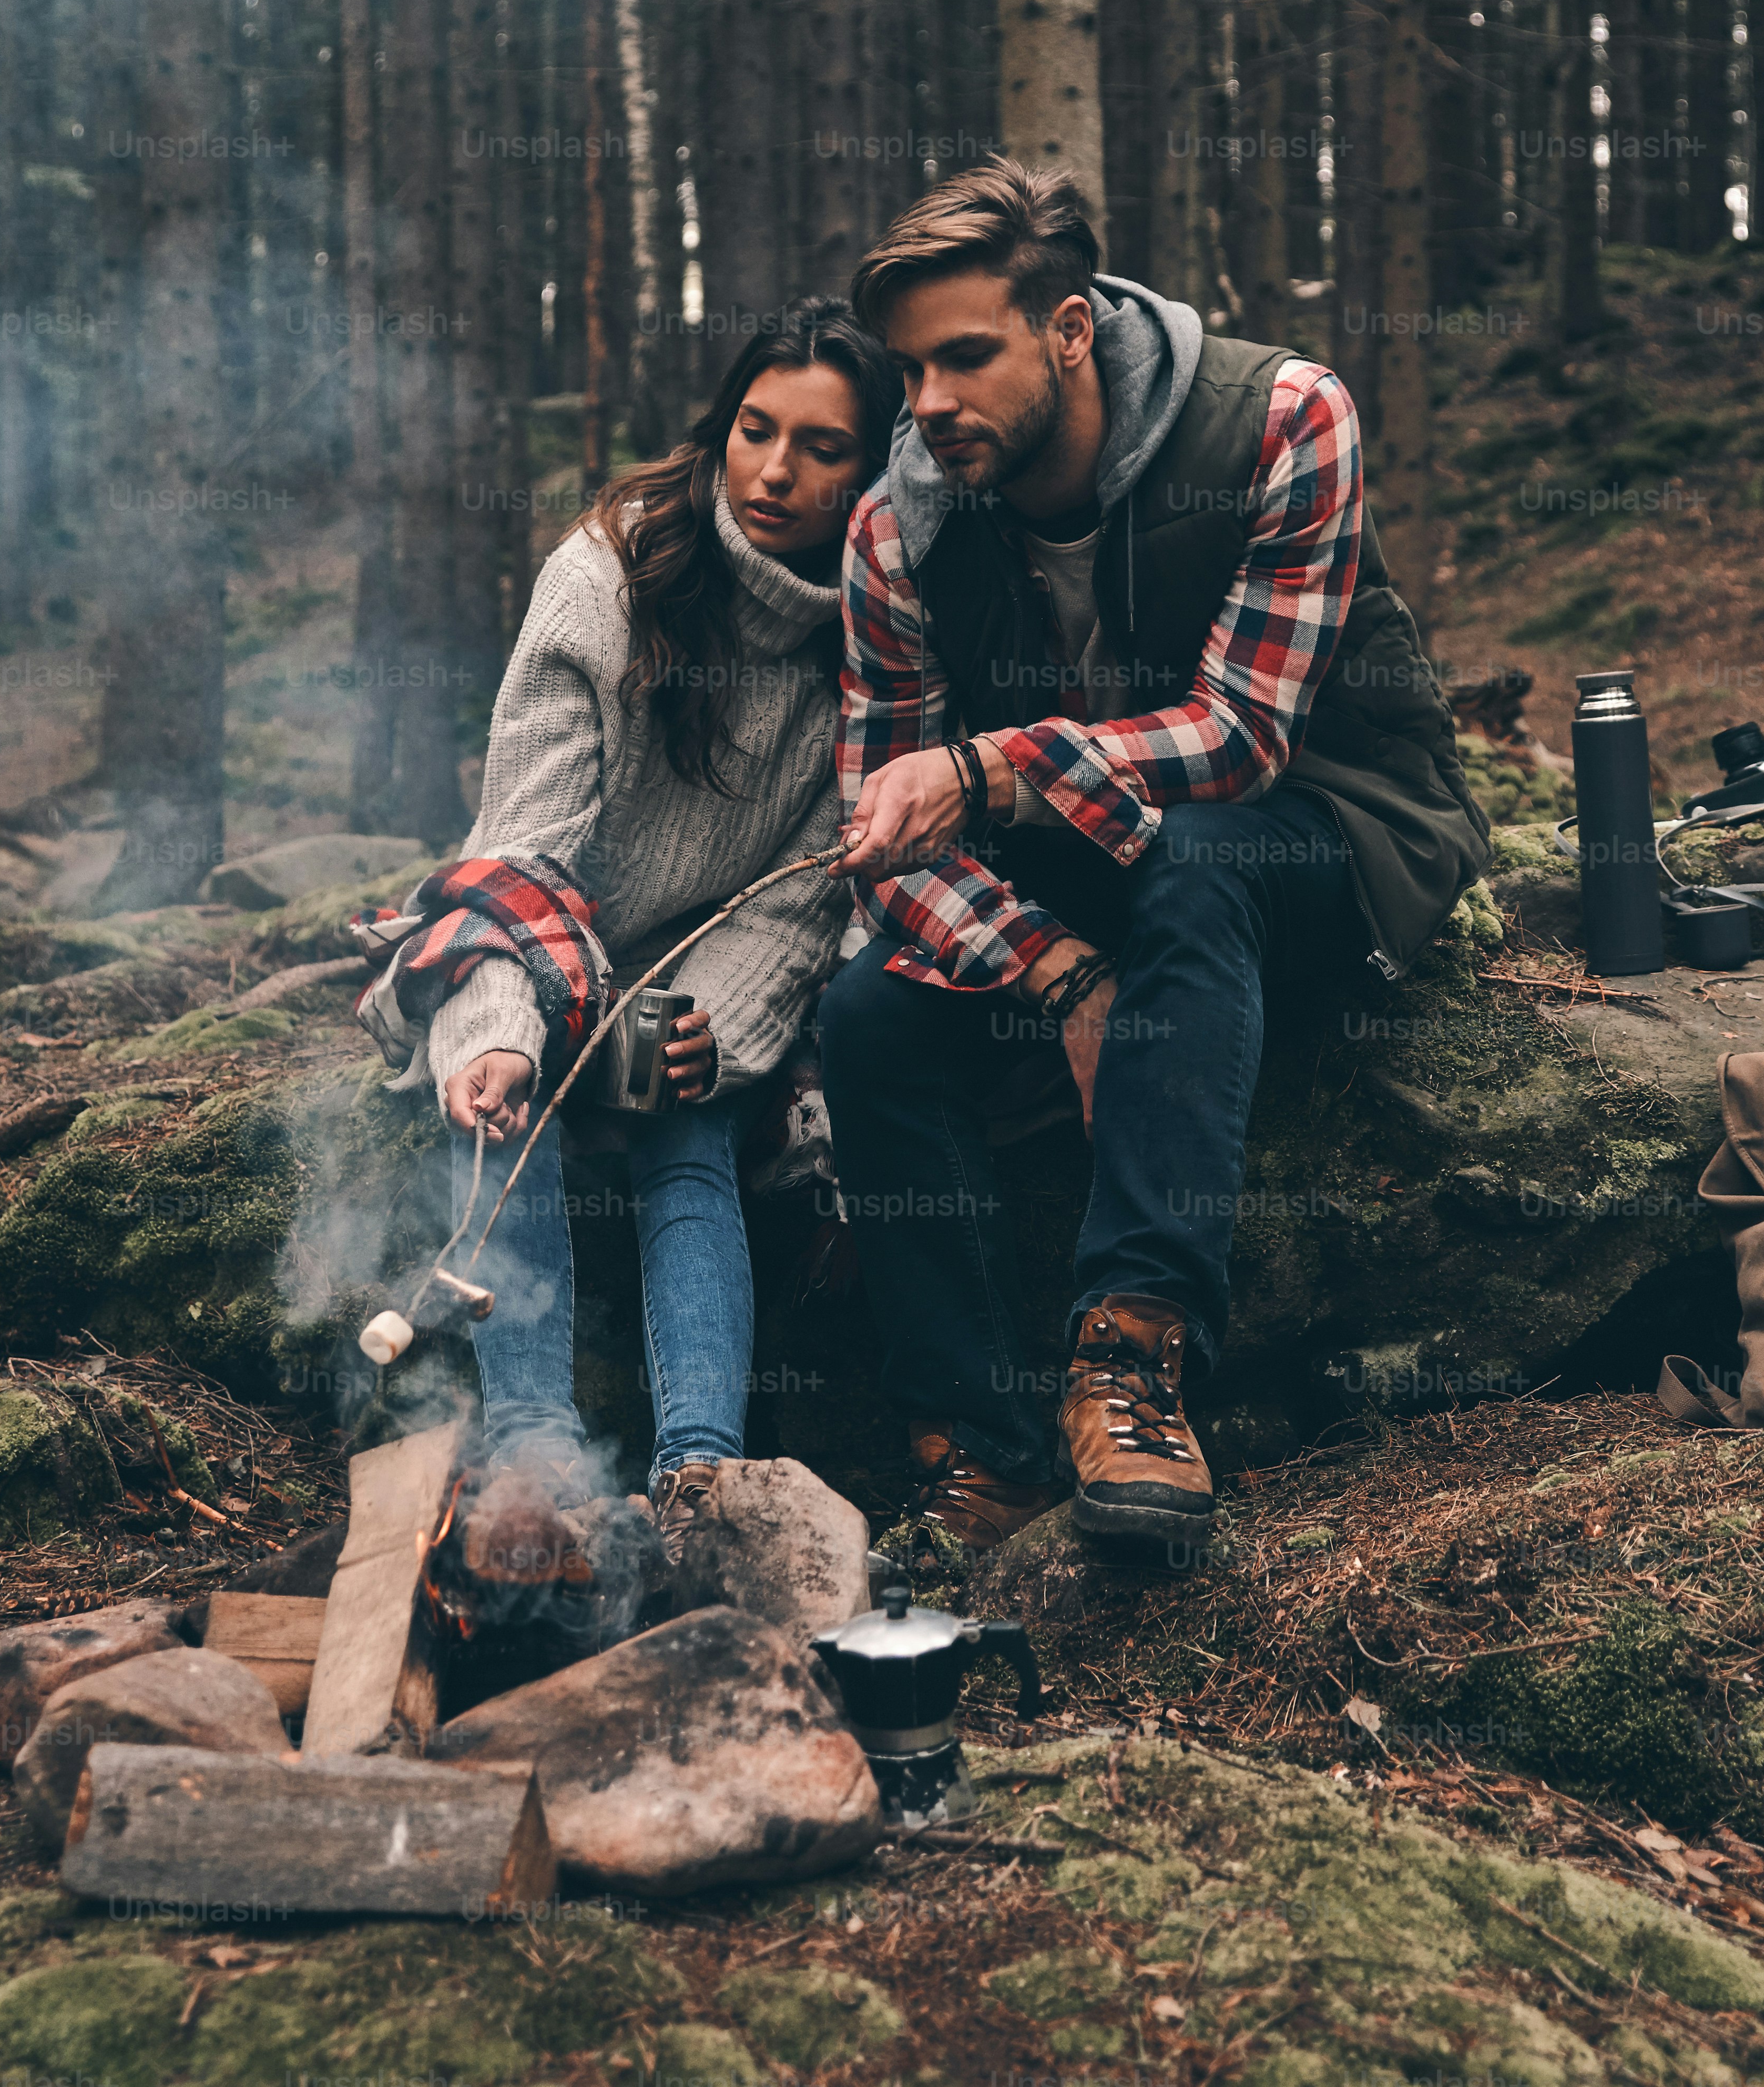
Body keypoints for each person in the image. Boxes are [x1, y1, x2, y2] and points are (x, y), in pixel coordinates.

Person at [821, 157, 1491, 1567]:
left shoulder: (1278, 419)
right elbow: (881, 816)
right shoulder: (896, 528)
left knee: (1197, 857)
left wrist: (993, 771)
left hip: (1328, 824)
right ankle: (974, 1451)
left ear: (1069, 327)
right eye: (907, 370)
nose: (927, 403)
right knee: (868, 1013)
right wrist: (1058, 972)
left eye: (964, 357)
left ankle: (1131, 1365)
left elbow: (1242, 741)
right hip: (1083, 877)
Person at [400, 297, 896, 1552]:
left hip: (700, 969)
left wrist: (709, 1028)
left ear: (875, 466)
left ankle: (702, 1485)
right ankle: (534, 1454)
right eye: (753, 428)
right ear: (719, 428)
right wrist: (501, 1030)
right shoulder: (605, 576)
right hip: (544, 937)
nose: (775, 471)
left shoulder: (884, 628)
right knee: (501, 1101)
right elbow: (517, 855)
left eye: (822, 447)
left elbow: (806, 884)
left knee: (692, 1127)